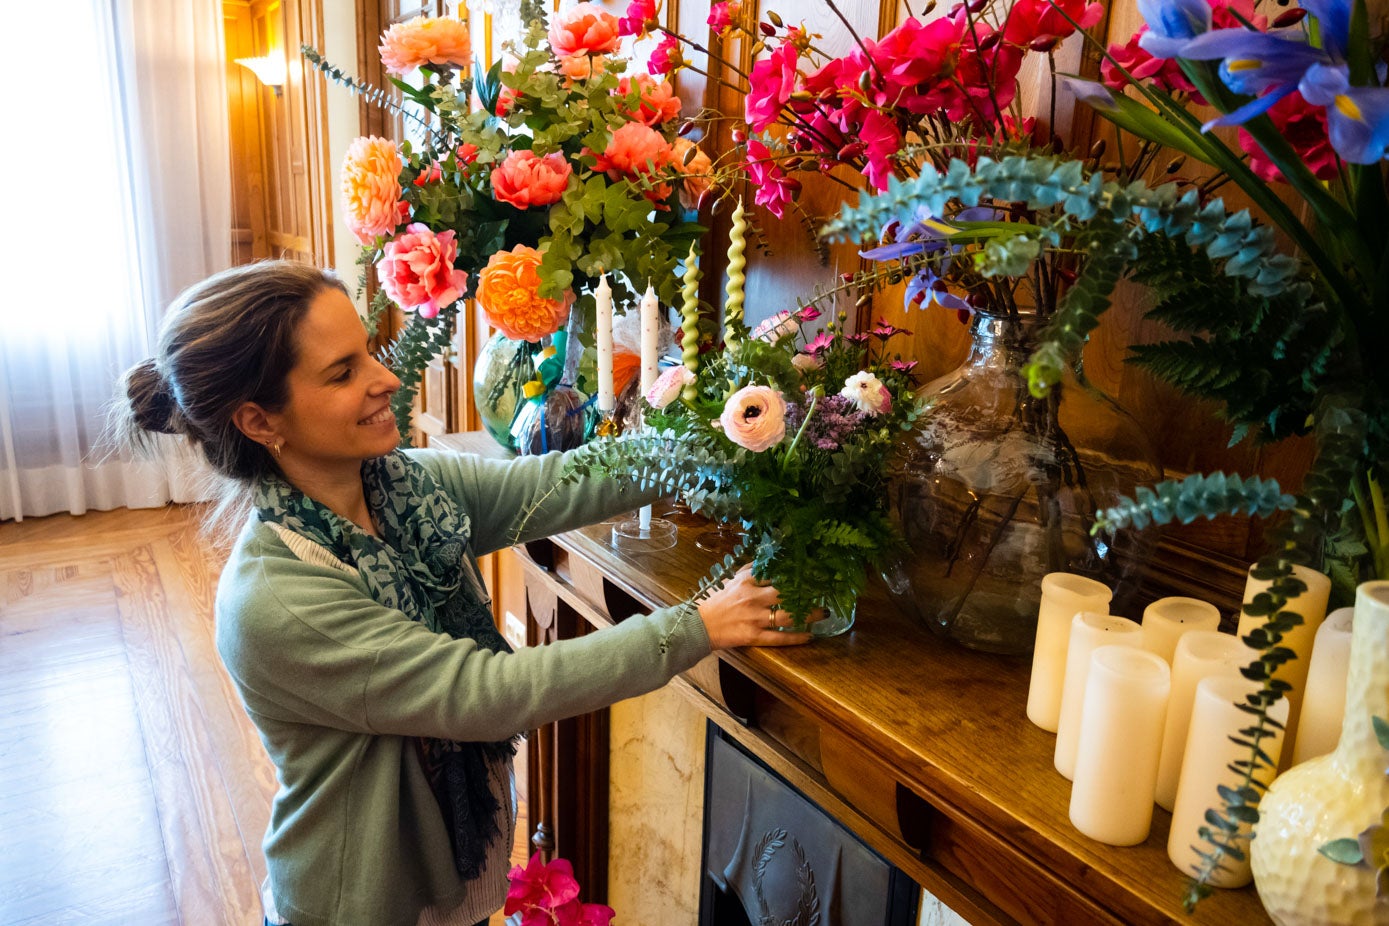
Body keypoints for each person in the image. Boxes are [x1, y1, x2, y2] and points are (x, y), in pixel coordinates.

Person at [114, 260, 815, 926]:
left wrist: (721, 433)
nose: (385, 377)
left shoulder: (406, 487)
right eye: (342, 372)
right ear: (259, 422)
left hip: (451, 875)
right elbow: (486, 694)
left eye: (368, 351)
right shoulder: (279, 599)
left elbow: (554, 485)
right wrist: (694, 627)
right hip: (362, 903)